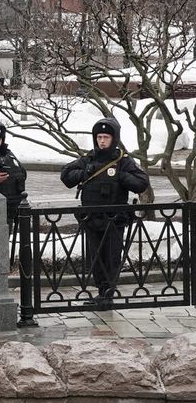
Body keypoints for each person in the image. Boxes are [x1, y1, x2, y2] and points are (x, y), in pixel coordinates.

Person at [60, 117, 148, 309]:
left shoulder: (122, 160)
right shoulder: (89, 158)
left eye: (106, 137)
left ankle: (109, 292)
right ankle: (101, 291)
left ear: (113, 139)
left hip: (114, 219)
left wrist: (120, 176)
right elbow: (66, 176)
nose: (101, 141)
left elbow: (141, 182)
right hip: (92, 218)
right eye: (99, 137)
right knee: (95, 257)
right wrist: (85, 173)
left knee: (112, 256)